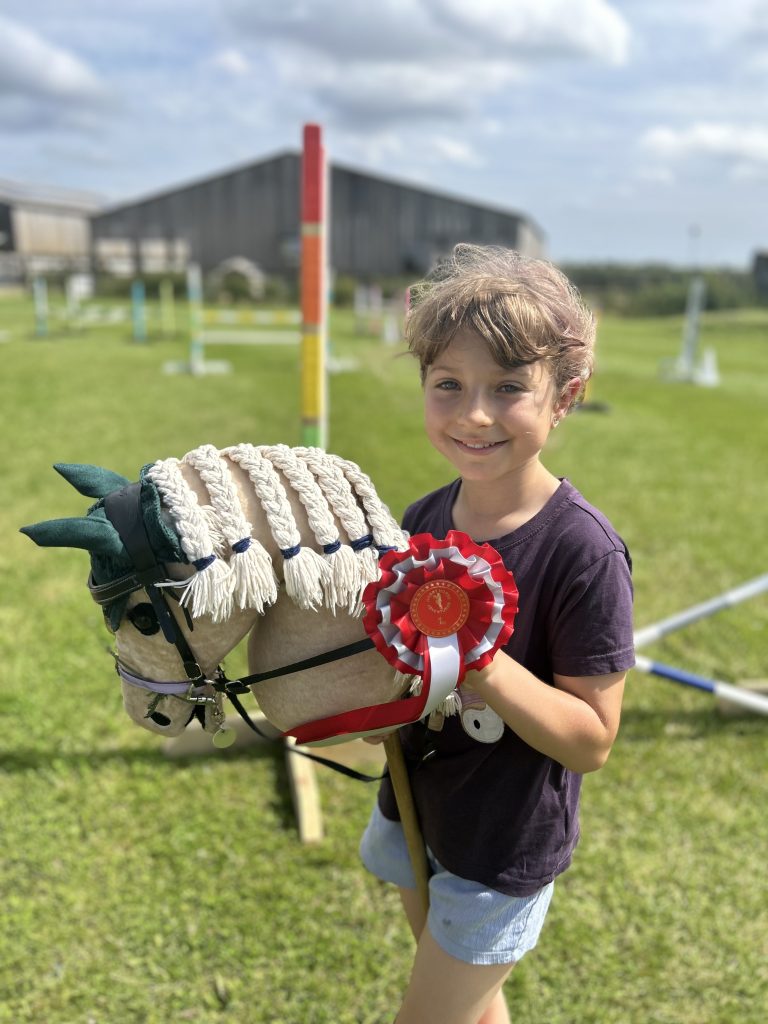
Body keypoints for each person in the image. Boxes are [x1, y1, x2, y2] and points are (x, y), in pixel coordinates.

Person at [359, 244, 635, 1024]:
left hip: (502, 847)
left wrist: (479, 661)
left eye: (508, 388)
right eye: (448, 385)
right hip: (420, 804)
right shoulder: (420, 519)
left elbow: (591, 742)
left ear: (566, 397)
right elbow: (400, 669)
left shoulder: (583, 552)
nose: (474, 413)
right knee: (472, 1012)